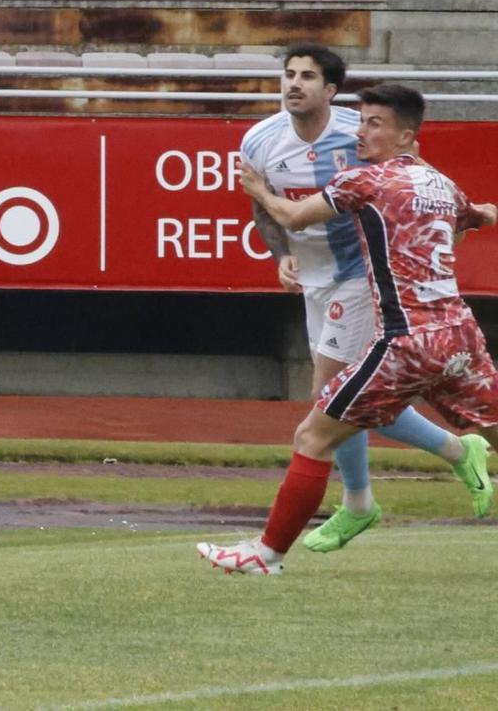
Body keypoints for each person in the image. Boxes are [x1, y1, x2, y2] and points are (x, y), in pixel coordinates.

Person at [201, 82, 496, 577]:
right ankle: (372, 495)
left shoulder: (366, 181)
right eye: (359, 121)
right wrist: (485, 214)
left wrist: (258, 190)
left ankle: (267, 554)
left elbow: (293, 215)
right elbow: (476, 217)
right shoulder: (440, 183)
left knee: (313, 435)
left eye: (374, 123)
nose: (360, 132)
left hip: (407, 342)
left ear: (405, 136)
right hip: (461, 335)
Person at [236, 44, 466, 552]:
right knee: (345, 396)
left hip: (361, 276)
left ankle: (359, 503)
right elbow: (264, 210)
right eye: (289, 74)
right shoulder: (260, 140)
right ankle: (453, 450)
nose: (294, 84)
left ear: (331, 90)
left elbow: (411, 178)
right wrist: (280, 254)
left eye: (308, 76)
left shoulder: (359, 133)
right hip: (315, 280)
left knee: (332, 396)